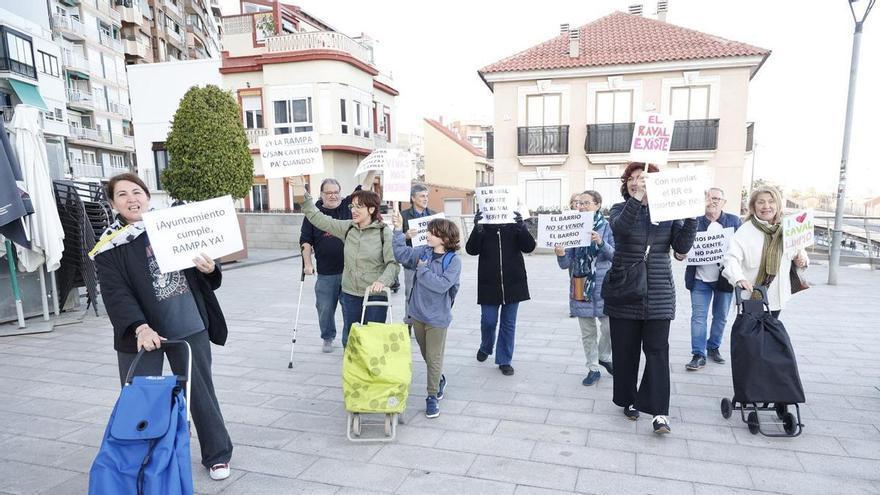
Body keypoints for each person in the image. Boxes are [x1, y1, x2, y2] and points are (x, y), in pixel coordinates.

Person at [91, 173, 233, 481]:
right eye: (122, 195)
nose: (132, 199)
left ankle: (217, 454)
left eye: (137, 191)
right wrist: (140, 327)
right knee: (142, 396)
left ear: (147, 195)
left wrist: (210, 268)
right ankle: (145, 459)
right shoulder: (108, 245)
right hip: (141, 333)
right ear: (113, 203)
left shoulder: (173, 225)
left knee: (200, 393)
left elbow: (206, 264)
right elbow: (116, 293)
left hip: (187, 321)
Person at [603, 162, 697, 435]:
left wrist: (691, 216)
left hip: (658, 293)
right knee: (625, 352)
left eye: (643, 179)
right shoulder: (620, 208)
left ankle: (659, 412)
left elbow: (681, 246)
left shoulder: (669, 212)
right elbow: (621, 230)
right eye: (632, 179)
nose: (637, 182)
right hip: (625, 291)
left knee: (657, 352)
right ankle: (628, 399)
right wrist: (637, 199)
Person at [295, 179, 400, 347]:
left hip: (374, 294)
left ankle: (371, 372)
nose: (353, 210)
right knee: (350, 339)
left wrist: (382, 281)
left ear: (371, 209)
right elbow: (318, 218)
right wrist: (302, 193)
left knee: (372, 339)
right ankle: (352, 371)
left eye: (359, 207)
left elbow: (393, 264)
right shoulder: (348, 227)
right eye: (352, 206)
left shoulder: (384, 233)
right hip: (350, 293)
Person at [391, 211, 461, 418]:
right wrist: (398, 230)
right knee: (427, 355)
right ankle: (438, 378)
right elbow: (401, 254)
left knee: (433, 356)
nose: (427, 235)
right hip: (418, 314)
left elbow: (441, 286)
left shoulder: (453, 261)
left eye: (432, 233)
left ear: (444, 238)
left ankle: (431, 397)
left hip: (438, 318)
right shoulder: (422, 252)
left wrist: (421, 270)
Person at [466, 209, 536, 376]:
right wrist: (477, 228)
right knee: (488, 321)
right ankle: (486, 346)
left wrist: (522, 227)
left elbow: (529, 247)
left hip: (514, 282)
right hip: (489, 283)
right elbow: (471, 250)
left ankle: (505, 360)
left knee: (509, 323)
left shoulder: (514, 225)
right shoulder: (484, 226)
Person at [679, 188, 742, 371]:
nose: (713, 201)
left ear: (724, 202)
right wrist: (680, 253)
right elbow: (682, 245)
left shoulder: (733, 221)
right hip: (700, 278)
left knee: (721, 316)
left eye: (717, 198)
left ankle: (713, 346)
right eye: (709, 198)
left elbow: (741, 247)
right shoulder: (694, 220)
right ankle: (698, 354)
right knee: (698, 317)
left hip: (725, 278)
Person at [555, 190, 614, 386]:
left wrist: (601, 242)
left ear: (597, 205)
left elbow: (616, 256)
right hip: (580, 282)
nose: (581, 206)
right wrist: (561, 253)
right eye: (579, 203)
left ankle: (604, 356)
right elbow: (565, 264)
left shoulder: (607, 227)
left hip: (604, 283)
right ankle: (593, 367)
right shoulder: (573, 227)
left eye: (586, 203)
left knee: (609, 328)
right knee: (588, 331)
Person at [722, 186, 808, 318]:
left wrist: (800, 260)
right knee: (752, 336)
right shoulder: (745, 231)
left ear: (778, 205)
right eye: (761, 202)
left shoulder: (788, 228)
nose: (766, 206)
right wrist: (739, 278)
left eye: (771, 201)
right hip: (752, 294)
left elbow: (799, 253)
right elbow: (730, 258)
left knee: (771, 335)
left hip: (777, 296)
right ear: (753, 206)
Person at [300, 178, 361, 353]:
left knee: (349, 309)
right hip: (326, 272)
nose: (333, 196)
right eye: (329, 193)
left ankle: (349, 340)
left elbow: (364, 185)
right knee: (324, 308)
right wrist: (308, 264)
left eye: (336, 192)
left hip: (350, 271)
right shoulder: (314, 213)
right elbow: (305, 242)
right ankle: (327, 336)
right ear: (321, 194)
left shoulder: (348, 207)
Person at [399, 184, 436, 326]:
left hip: (430, 261)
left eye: (426, 196)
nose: (425, 199)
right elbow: (395, 239)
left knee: (429, 292)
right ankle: (409, 323)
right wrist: (405, 236)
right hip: (411, 262)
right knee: (410, 293)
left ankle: (426, 322)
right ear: (413, 198)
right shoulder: (403, 216)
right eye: (422, 196)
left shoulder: (433, 215)